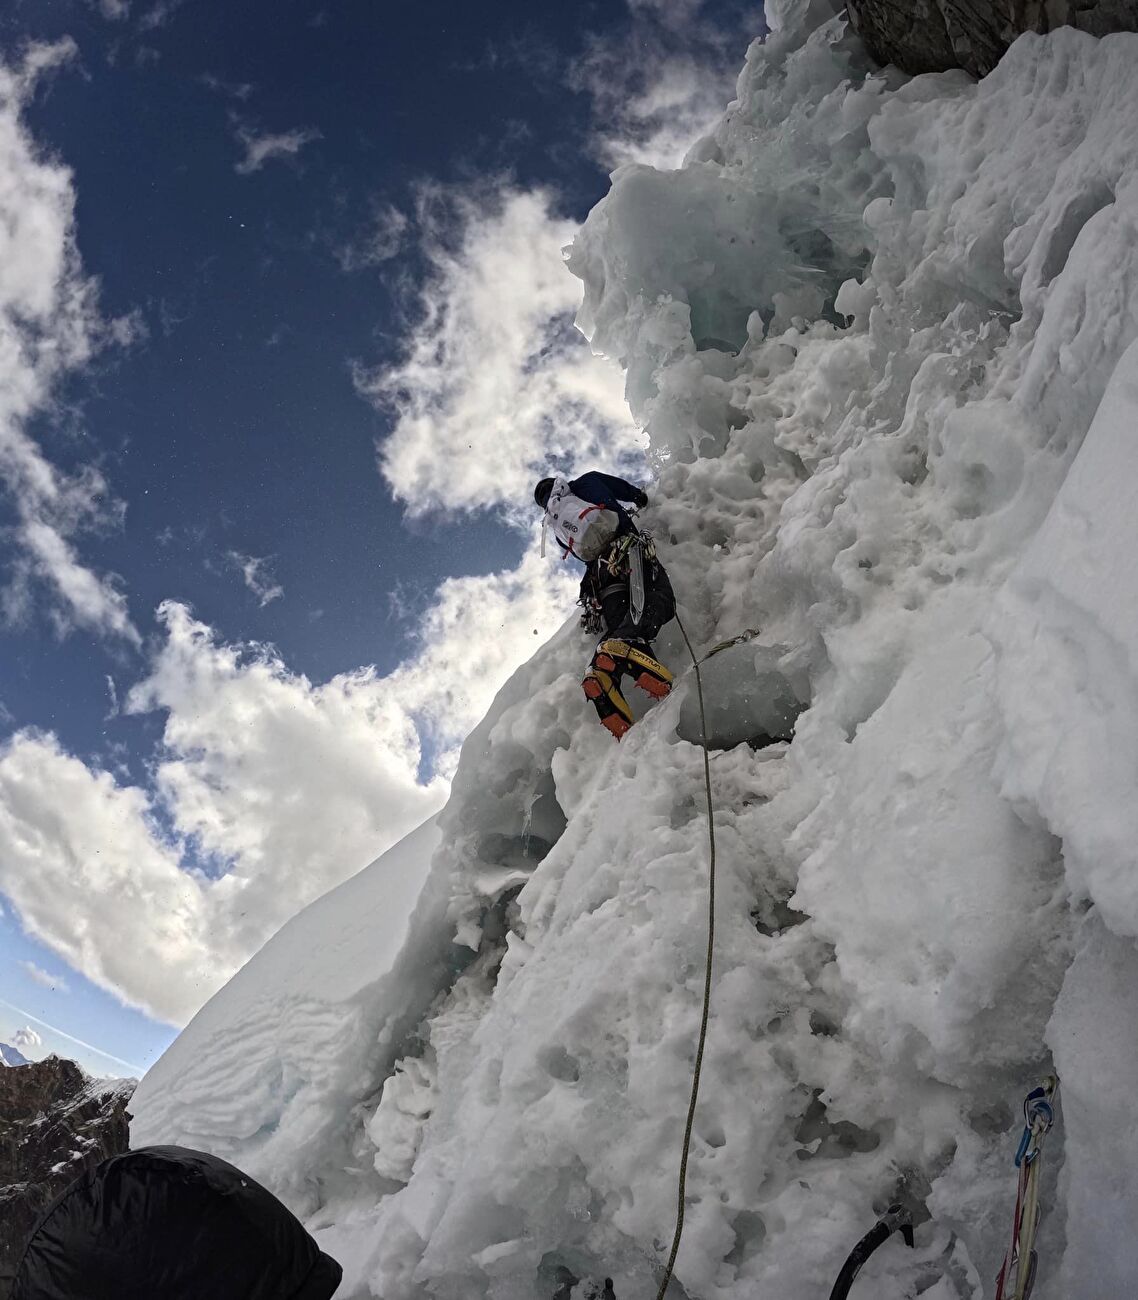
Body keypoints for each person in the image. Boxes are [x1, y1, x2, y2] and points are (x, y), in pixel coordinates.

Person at [535, 471, 676, 740]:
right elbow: (624, 490)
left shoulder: (555, 525)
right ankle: (625, 655)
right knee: (660, 599)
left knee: (622, 623)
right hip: (627, 551)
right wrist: (641, 498)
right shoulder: (585, 483)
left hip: (601, 578)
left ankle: (601, 674)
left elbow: (583, 553)